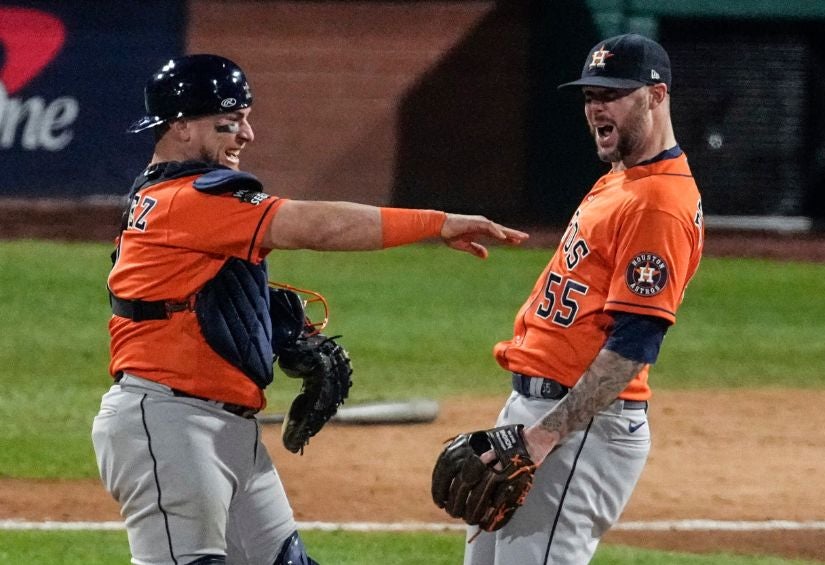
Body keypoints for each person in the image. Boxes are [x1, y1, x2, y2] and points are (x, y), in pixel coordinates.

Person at [91, 53, 528, 565]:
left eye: (246, 119)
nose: (246, 135)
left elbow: (184, 296)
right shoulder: (190, 199)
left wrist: (262, 325)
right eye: (229, 122)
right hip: (169, 425)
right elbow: (317, 226)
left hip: (217, 425)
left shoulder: (160, 193)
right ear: (182, 127)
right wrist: (437, 223)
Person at [460, 34, 705, 564]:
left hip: (581, 428)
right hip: (540, 411)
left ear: (656, 96)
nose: (596, 107)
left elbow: (635, 345)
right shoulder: (621, 179)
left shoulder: (658, 203)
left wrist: (543, 438)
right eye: (590, 95)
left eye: (612, 93)